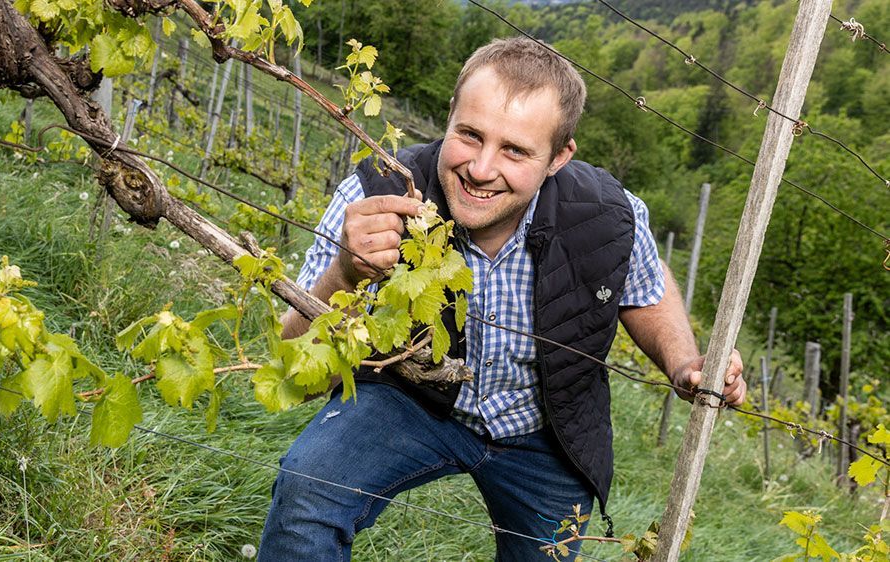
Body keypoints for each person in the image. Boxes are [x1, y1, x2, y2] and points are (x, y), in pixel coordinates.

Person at [258, 37, 746, 561]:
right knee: (308, 491)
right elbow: (294, 370)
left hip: (547, 427)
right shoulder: (376, 196)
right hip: (407, 397)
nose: (482, 168)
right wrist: (343, 274)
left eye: (515, 150)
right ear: (449, 117)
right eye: (470, 135)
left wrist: (683, 363)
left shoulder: (608, 216)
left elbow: (645, 293)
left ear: (559, 156)